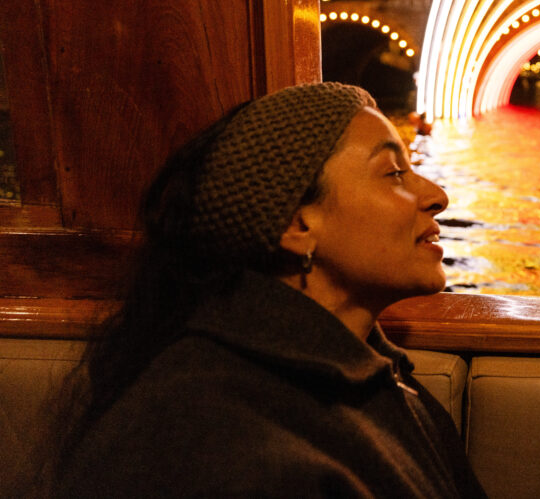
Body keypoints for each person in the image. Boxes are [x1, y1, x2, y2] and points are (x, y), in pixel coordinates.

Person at [52, 83, 486, 497]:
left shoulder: (378, 378)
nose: (437, 195)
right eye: (394, 173)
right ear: (296, 225)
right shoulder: (213, 445)